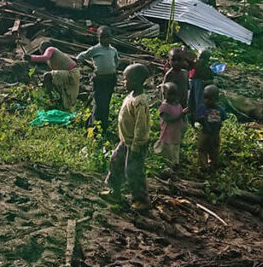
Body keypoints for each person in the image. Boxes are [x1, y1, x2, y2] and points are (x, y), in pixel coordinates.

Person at [101, 64, 151, 210]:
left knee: (134, 171)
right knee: (115, 162)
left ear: (136, 80)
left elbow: (141, 127)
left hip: (136, 144)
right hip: (125, 141)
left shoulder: (140, 102)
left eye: (126, 80)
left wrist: (136, 146)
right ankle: (114, 191)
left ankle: (141, 200)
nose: (124, 82)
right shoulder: (131, 96)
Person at [77, 26, 120, 132]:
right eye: (102, 37)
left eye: (107, 37)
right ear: (98, 38)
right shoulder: (95, 49)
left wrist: (112, 68)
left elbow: (117, 61)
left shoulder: (113, 50)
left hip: (110, 80)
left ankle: (103, 125)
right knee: (98, 103)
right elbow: (80, 57)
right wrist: (91, 67)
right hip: (99, 80)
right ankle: (92, 127)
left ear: (111, 38)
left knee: (106, 103)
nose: (105, 39)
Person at [28, 42, 80, 109]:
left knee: (47, 76)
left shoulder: (50, 49)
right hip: (71, 73)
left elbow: (45, 57)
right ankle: (58, 99)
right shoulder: (52, 57)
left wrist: (31, 57)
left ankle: (51, 99)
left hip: (71, 73)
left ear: (42, 49)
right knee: (52, 78)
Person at [153, 82, 185, 167]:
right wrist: (181, 115)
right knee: (167, 149)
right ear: (164, 94)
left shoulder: (178, 105)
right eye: (169, 94)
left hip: (176, 132)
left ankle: (175, 163)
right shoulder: (164, 107)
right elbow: (169, 120)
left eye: (174, 95)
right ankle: (166, 164)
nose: (172, 97)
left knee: (175, 149)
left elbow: (181, 117)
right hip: (168, 132)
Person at [196, 85, 226, 171]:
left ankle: (206, 166)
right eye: (205, 98)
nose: (206, 100)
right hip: (213, 134)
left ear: (216, 99)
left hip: (206, 133)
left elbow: (198, 118)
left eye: (209, 98)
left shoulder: (202, 108)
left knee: (204, 150)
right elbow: (223, 118)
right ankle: (210, 165)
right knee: (211, 150)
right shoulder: (220, 109)